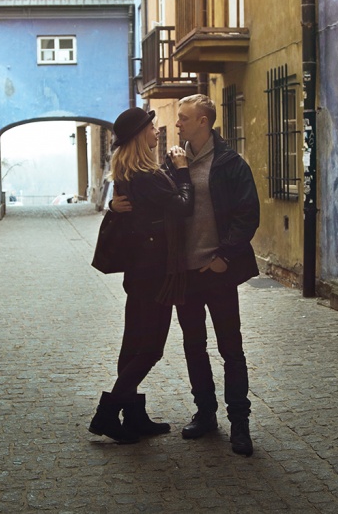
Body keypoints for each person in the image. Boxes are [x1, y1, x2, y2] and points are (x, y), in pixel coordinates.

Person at [112, 94, 260, 456]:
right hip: (184, 274)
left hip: (218, 271)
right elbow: (149, 203)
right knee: (194, 346)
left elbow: (247, 215)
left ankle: (240, 423)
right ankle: (205, 413)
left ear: (203, 122)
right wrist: (113, 207)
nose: (175, 124)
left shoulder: (230, 163)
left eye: (183, 118)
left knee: (231, 349)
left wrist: (225, 256)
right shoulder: (171, 163)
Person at [89, 107, 192, 444]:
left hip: (138, 271)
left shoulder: (129, 174)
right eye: (151, 127)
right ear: (138, 136)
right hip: (156, 271)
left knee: (133, 344)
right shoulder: (146, 177)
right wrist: (183, 170)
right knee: (150, 348)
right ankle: (107, 413)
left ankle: (133, 415)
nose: (157, 131)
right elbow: (183, 205)